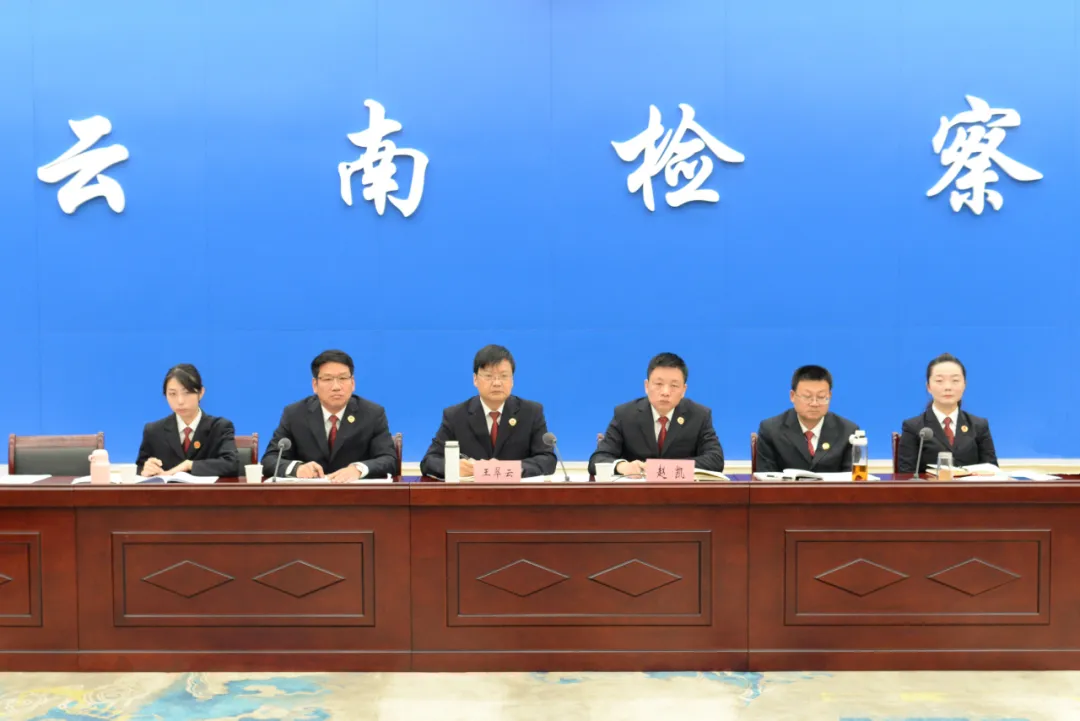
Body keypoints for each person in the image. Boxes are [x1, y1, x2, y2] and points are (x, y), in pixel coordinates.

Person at [420, 344, 556, 479]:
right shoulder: (455, 416)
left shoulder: (531, 412)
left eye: (504, 376)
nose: (497, 383)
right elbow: (429, 461)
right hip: (471, 492)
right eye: (489, 376)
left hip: (516, 491)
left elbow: (548, 459)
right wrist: (453, 466)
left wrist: (508, 469)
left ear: (512, 380)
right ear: (475, 379)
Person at [261, 349, 396, 481]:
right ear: (315, 384)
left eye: (343, 378)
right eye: (327, 379)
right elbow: (270, 460)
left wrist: (358, 469)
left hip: (354, 493)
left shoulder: (372, 413)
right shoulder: (294, 414)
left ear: (353, 382)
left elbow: (389, 460)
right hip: (308, 493)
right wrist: (297, 469)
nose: (336, 387)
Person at [588, 352, 724, 476]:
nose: (665, 392)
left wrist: (663, 468)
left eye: (674, 386)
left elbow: (716, 459)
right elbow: (597, 460)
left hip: (681, 492)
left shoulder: (699, 415)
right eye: (659, 384)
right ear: (646, 386)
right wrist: (622, 466)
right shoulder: (624, 415)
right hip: (637, 492)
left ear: (684, 390)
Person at [898, 353, 997, 474]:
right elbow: (906, 474)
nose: (948, 387)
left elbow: (992, 470)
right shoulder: (913, 427)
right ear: (928, 387)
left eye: (955, 380)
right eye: (939, 381)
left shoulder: (979, 425)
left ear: (964, 385)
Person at [136, 364, 239, 477]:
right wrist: (146, 470)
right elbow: (139, 468)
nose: (180, 401)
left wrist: (190, 465)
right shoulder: (153, 431)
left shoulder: (220, 427)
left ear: (201, 393)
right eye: (172, 394)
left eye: (187, 392)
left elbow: (232, 464)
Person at [755, 365, 859, 473]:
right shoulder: (771, 430)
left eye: (821, 397)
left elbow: (852, 478)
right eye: (807, 396)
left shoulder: (848, 431)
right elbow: (766, 478)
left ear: (830, 396)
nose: (814, 403)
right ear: (792, 396)